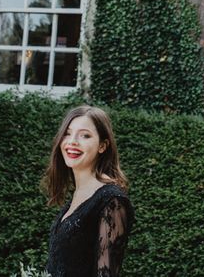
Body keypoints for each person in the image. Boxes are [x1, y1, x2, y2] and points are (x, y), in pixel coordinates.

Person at [43, 105, 134, 277]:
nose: (72, 141)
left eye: (85, 135)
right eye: (68, 133)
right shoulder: (78, 195)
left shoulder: (112, 201)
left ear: (102, 146)